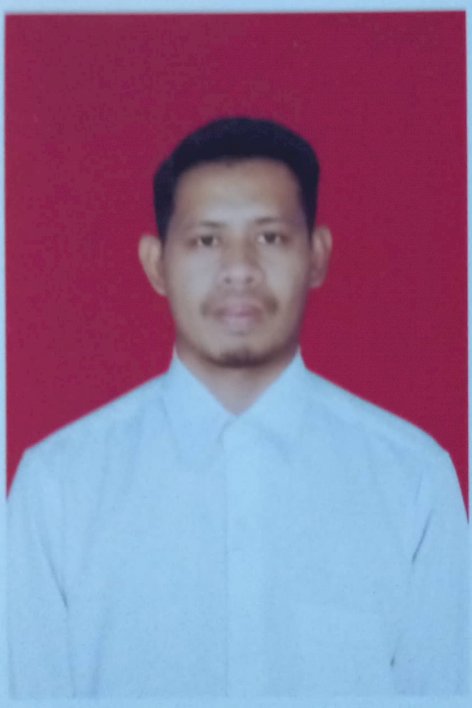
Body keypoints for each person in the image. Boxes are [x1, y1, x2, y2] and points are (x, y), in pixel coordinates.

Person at [7, 117, 468, 698]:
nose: (239, 270)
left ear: (317, 255)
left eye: (270, 238)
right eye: (206, 240)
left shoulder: (413, 480)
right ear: (156, 263)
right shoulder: (58, 487)